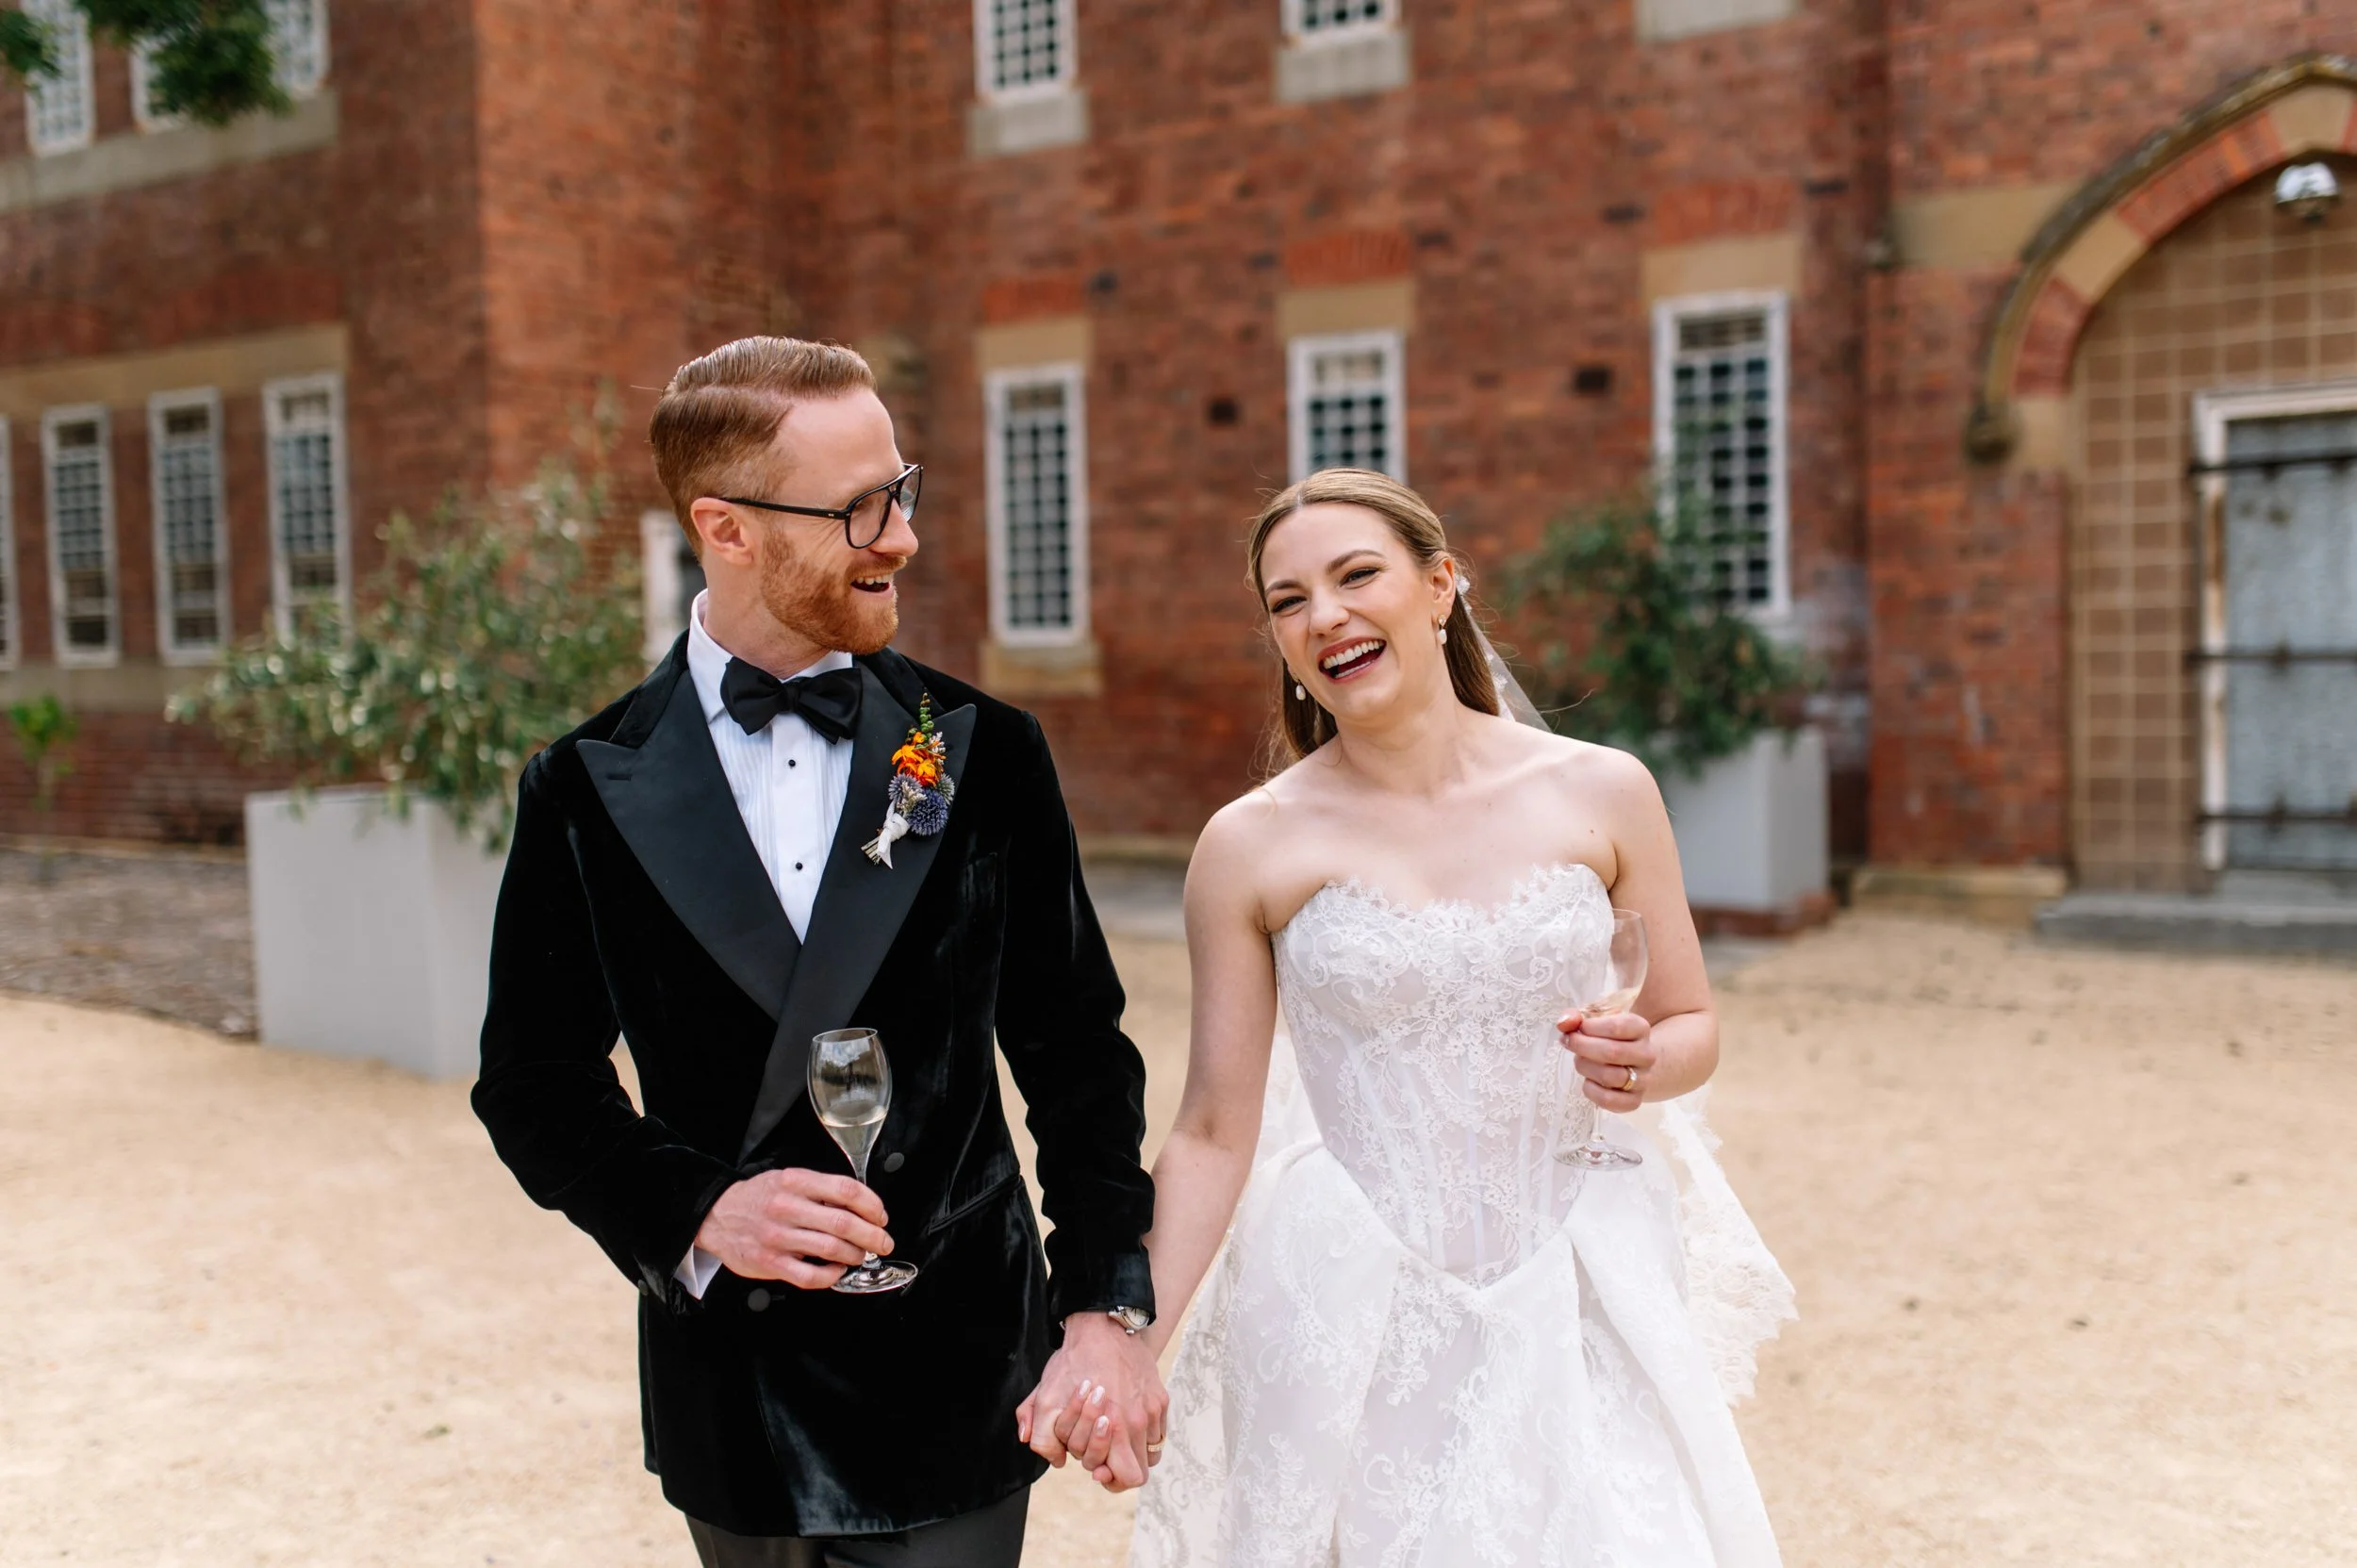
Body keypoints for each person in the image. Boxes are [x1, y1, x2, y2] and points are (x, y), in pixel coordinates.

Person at [472, 337, 1165, 1568]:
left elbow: (1076, 1052)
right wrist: (699, 1211)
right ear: (726, 528)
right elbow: (534, 1082)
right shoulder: (581, 786)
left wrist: (1103, 1304)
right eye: (858, 507)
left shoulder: (983, 751)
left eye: (902, 488)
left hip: (958, 1372)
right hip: (728, 1387)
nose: (899, 533)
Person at [1126, 469, 1795, 1565]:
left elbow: (1689, 1020)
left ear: (1439, 586)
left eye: (1356, 576)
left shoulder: (1604, 790)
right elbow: (1209, 1128)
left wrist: (1644, 1061)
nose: (1325, 615)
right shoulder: (1248, 846)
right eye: (1288, 601)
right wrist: (1130, 1344)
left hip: (1577, 1281)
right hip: (1355, 1303)